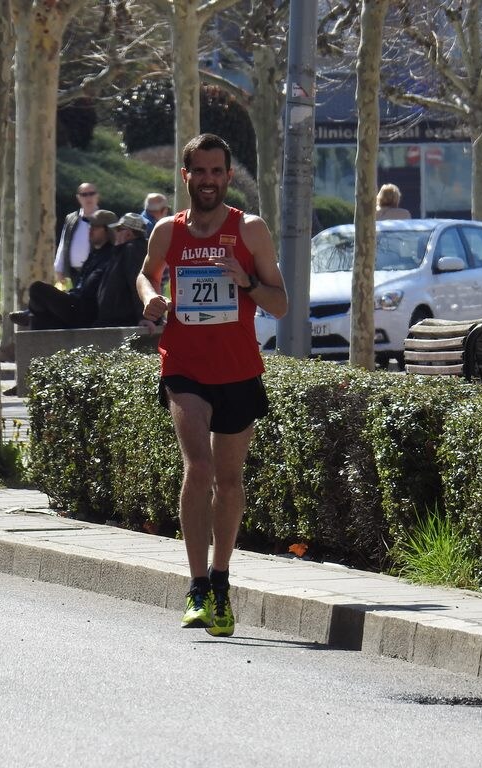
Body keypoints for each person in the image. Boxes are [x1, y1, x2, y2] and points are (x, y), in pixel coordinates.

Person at [137, 133, 288, 637]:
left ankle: (221, 580)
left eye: (215, 171)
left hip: (239, 369)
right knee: (197, 467)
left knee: (228, 481)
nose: (207, 179)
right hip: (183, 365)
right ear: (186, 177)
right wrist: (151, 299)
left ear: (228, 175)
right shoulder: (167, 230)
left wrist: (245, 282)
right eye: (198, 171)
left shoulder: (250, 230)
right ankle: (197, 584)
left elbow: (281, 303)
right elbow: (146, 275)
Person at [11, 209, 118, 329]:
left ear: (107, 230)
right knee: (39, 319)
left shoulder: (111, 257)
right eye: (90, 225)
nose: (90, 229)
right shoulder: (94, 254)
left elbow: (93, 290)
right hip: (76, 302)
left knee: (37, 289)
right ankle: (32, 317)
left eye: (96, 226)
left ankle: (31, 313)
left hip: (84, 310)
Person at [95, 212, 149, 328]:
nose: (115, 232)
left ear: (129, 234)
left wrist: (144, 317)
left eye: (119, 229)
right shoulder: (123, 251)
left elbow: (138, 283)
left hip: (124, 322)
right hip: (114, 322)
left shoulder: (133, 250)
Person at [53, 182, 100, 286]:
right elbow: (63, 244)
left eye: (91, 193)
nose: (88, 197)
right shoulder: (71, 218)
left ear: (97, 196)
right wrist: (58, 269)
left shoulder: (105, 219)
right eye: (84, 194)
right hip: (72, 274)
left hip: (96, 273)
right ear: (78, 198)